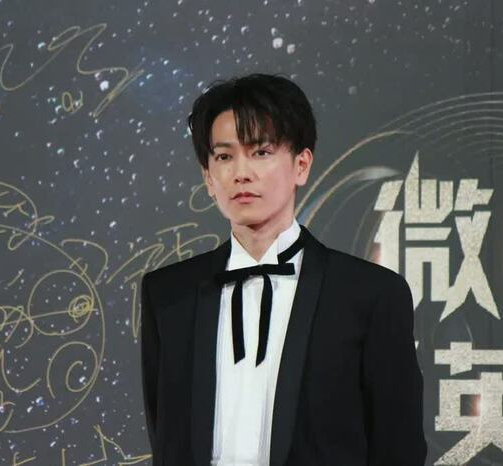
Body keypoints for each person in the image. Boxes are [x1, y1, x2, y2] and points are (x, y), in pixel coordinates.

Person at [140, 73, 426, 466]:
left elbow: (398, 447)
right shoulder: (168, 295)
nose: (241, 172)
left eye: (261, 152)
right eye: (224, 156)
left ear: (301, 165)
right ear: (208, 177)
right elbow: (166, 439)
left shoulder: (370, 294)